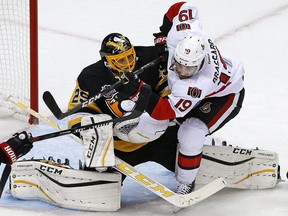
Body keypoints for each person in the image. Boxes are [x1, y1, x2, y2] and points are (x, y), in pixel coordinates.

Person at [119, 1, 245, 195]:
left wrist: (138, 90)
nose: (182, 71)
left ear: (200, 63)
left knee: (190, 132)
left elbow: (164, 111)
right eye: (179, 64)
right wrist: (163, 35)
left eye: (189, 68)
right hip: (210, 85)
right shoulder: (183, 34)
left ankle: (187, 182)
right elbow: (180, 7)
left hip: (226, 95)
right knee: (158, 118)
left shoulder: (197, 84)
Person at [67, 32, 179, 175]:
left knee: (187, 153)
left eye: (130, 56)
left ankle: (191, 150)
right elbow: (78, 111)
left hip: (160, 137)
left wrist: (170, 51)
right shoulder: (90, 77)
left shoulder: (150, 58)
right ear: (108, 61)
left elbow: (172, 92)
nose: (128, 64)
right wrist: (83, 127)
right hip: (119, 146)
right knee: (102, 186)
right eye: (121, 61)